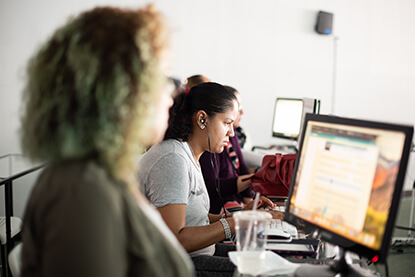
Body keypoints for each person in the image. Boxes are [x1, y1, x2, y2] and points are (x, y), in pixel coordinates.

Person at [19, 6, 194, 277]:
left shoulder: (103, 174)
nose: (173, 94)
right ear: (122, 89)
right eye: (166, 78)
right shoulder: (83, 189)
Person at [138, 82, 283, 276]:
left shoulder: (188, 154)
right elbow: (175, 240)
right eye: (227, 123)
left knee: (273, 260)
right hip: (177, 265)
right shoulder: (173, 158)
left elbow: (192, 218)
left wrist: (239, 216)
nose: (232, 133)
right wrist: (239, 222)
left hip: (198, 254)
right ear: (202, 119)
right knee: (268, 273)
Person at [199, 85, 254, 215]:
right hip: (221, 207)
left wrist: (252, 204)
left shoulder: (231, 135)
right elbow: (212, 186)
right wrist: (253, 178)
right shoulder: (210, 142)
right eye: (238, 107)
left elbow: (243, 169)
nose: (240, 113)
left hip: (235, 203)